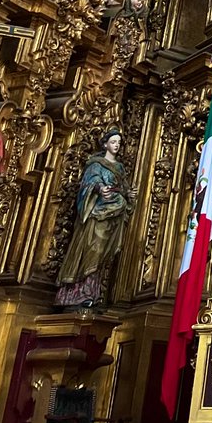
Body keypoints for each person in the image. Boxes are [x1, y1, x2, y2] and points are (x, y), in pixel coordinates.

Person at [55, 129, 135, 307]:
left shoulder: (120, 168)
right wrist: (99, 188)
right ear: (105, 144)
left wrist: (128, 194)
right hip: (97, 214)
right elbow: (89, 183)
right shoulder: (96, 164)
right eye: (113, 142)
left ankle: (91, 293)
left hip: (113, 216)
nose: (116, 145)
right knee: (92, 249)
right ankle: (76, 293)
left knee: (102, 256)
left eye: (118, 143)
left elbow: (122, 187)